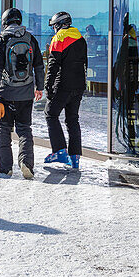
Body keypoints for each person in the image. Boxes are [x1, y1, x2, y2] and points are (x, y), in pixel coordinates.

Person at [0, 8, 44, 179]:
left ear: (5, 22)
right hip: (26, 93)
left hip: (5, 93)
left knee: (4, 130)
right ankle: (26, 162)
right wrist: (39, 87)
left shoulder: (2, 40)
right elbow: (39, 66)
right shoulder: (31, 38)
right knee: (24, 129)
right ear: (19, 21)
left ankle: (5, 168)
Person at [43, 11, 88, 170]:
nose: (53, 29)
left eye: (54, 26)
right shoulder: (80, 38)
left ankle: (60, 151)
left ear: (58, 25)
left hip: (63, 85)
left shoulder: (59, 38)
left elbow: (53, 65)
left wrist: (48, 86)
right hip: (79, 85)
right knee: (72, 119)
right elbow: (85, 63)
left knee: (50, 114)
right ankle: (75, 157)